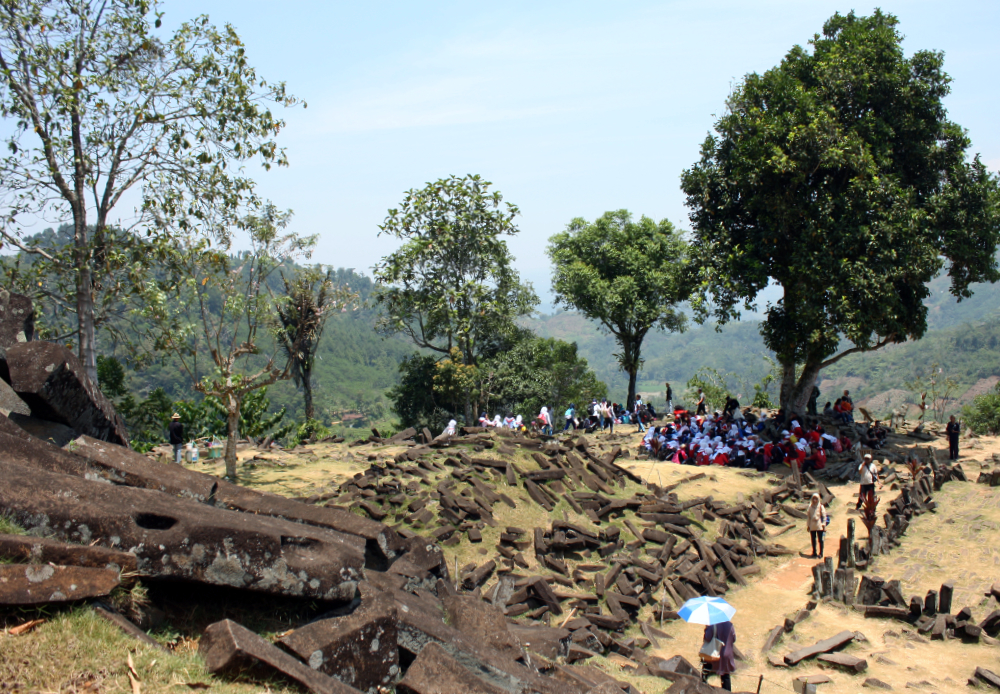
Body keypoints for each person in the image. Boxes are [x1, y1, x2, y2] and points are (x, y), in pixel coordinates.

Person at [701, 620, 736, 691]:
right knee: (725, 676)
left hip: (714, 653)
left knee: (705, 671)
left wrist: (706, 629)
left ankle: (702, 689)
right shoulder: (730, 624)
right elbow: (734, 639)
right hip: (726, 653)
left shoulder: (713, 624)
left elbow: (707, 638)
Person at [806, 493, 827, 558]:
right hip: (812, 525)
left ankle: (821, 553)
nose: (815, 500)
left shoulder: (821, 506)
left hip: (819, 525)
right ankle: (814, 552)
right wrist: (808, 525)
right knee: (813, 539)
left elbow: (824, 516)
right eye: (813, 499)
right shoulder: (810, 507)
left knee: (820, 540)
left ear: (818, 499)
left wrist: (824, 524)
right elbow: (809, 517)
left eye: (816, 499)